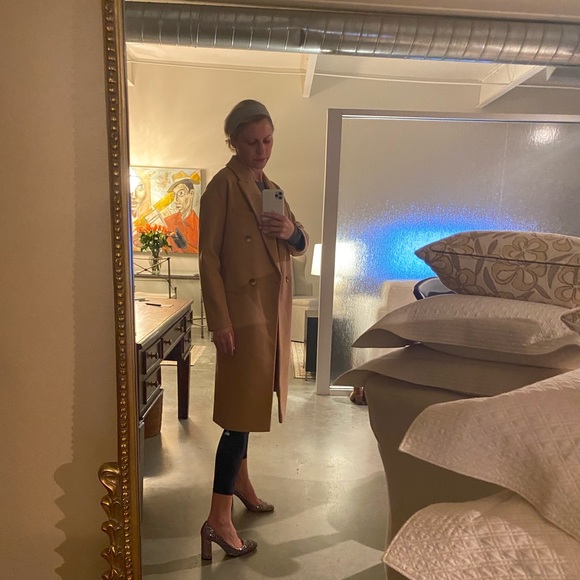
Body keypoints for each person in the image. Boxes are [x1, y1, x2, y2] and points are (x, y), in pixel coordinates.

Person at [198, 99, 308, 560]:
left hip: (270, 314)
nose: (261, 150)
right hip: (242, 317)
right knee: (237, 416)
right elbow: (208, 259)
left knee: (249, 409)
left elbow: (300, 243)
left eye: (267, 140)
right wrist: (219, 321)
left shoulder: (272, 188)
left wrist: (290, 231)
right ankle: (218, 520)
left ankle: (241, 484)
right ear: (233, 142)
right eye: (250, 142)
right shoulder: (221, 188)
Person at [165, 171, 200, 254]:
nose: (175, 200)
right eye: (174, 195)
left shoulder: (199, 226)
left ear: (191, 194)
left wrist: (185, 247)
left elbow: (203, 253)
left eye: (181, 193)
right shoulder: (168, 221)